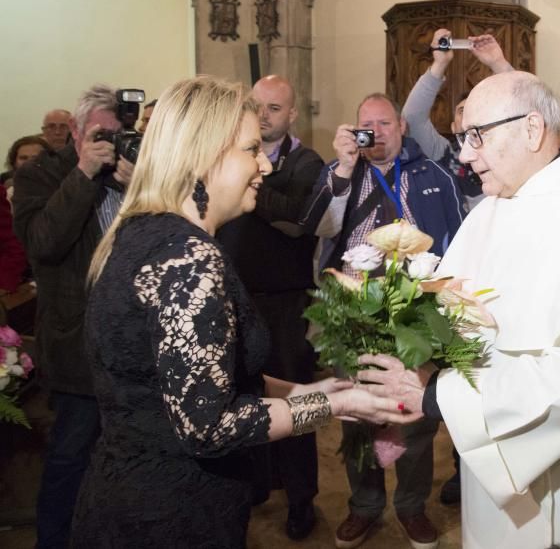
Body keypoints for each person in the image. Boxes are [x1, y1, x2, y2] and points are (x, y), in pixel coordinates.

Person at [69, 76, 413, 548]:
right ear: (206, 156)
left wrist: (312, 391)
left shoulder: (143, 231)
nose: (263, 168)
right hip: (172, 514)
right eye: (251, 150)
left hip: (123, 492)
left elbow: (213, 378)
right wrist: (336, 405)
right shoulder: (189, 258)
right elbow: (209, 426)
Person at [357, 71, 560, 548]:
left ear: (533, 129)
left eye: (478, 136)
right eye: (463, 137)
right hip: (499, 442)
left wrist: (437, 397)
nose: (466, 153)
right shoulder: (499, 204)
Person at [302, 93, 464, 549]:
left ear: (402, 127)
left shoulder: (434, 175)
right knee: (355, 413)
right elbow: (321, 227)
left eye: (384, 123)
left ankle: (411, 507)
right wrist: (343, 168)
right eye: (366, 124)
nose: (375, 132)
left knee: (414, 417)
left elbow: (460, 240)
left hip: (415, 313)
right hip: (351, 315)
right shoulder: (343, 174)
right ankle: (365, 506)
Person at [12, 85, 134, 549]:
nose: (111, 142)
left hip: (129, 341)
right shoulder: (41, 175)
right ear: (78, 134)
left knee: (124, 457)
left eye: (118, 133)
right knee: (70, 455)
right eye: (102, 134)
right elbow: (44, 243)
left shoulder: (127, 174)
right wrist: (84, 174)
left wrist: (134, 185)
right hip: (75, 344)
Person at [401, 28, 513, 504]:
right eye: (465, 112)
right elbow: (409, 116)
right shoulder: (445, 154)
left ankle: (482, 463)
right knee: (451, 377)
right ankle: (459, 464)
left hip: (504, 272)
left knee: (490, 373)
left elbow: (530, 109)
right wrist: (440, 66)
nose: (471, 126)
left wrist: (498, 66)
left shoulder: (514, 153)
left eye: (482, 117)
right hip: (457, 279)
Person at [216, 74, 326, 540]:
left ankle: (302, 500)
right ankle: (259, 484)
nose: (264, 116)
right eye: (258, 106)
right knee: (244, 395)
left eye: (275, 108)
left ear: (293, 113)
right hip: (237, 297)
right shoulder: (235, 160)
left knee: (293, 400)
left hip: (285, 304)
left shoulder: (307, 161)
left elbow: (297, 221)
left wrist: (249, 178)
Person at [402, 29, 513, 207]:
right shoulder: (443, 152)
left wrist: (497, 62)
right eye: (462, 110)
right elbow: (412, 118)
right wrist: (439, 64)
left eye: (475, 107)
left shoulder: (505, 146)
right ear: (453, 127)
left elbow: (524, 103)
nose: (469, 113)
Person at [3, 135, 52, 201]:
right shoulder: (6, 195)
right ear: (14, 162)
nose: (29, 162)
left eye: (35, 158)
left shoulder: (62, 192)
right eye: (23, 158)